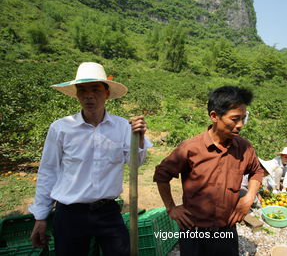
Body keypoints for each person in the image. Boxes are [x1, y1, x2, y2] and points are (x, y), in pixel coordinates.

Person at [28, 62, 152, 256]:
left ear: (107, 93)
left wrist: (140, 138)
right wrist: (41, 217)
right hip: (70, 213)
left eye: (95, 89)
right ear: (77, 94)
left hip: (108, 212)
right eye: (82, 90)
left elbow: (135, 163)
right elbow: (48, 171)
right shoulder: (61, 128)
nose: (89, 95)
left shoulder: (122, 127)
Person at [153, 86, 264, 256]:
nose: (240, 125)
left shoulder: (244, 147)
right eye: (235, 119)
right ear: (214, 116)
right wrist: (171, 208)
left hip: (226, 229)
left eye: (243, 118)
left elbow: (257, 171)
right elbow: (162, 175)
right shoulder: (191, 148)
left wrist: (249, 198)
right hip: (193, 229)